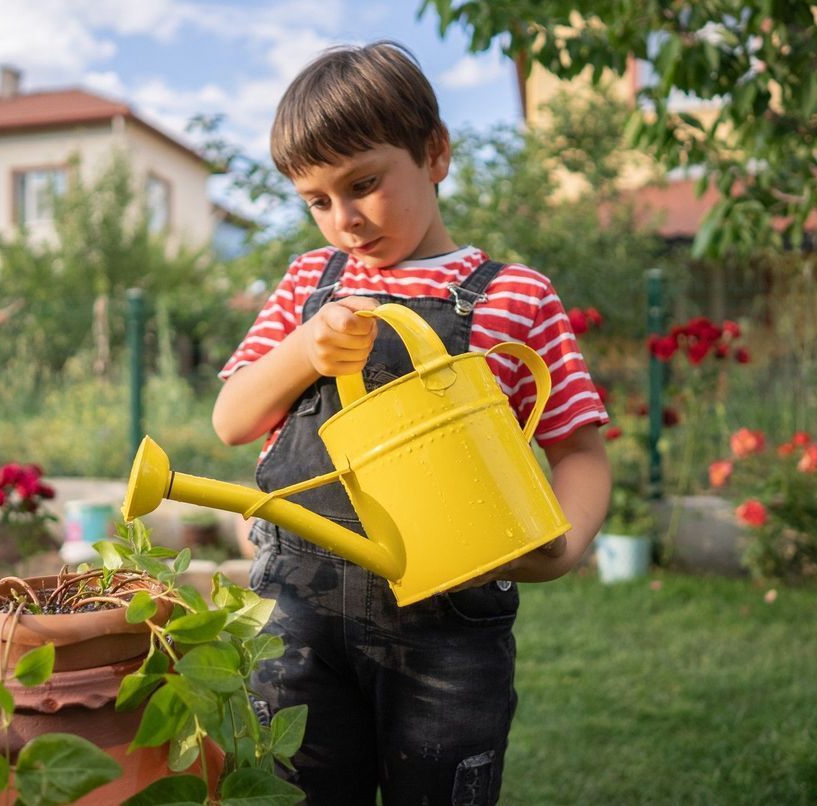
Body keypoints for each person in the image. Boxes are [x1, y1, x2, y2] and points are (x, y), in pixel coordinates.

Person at [212, 41, 611, 804]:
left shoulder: (513, 296)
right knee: (300, 790)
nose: (346, 220)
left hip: (448, 627)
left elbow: (580, 447)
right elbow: (233, 418)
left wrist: (566, 545)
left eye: (363, 184)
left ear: (434, 154)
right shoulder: (310, 284)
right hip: (296, 616)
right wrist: (306, 346)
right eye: (317, 200)